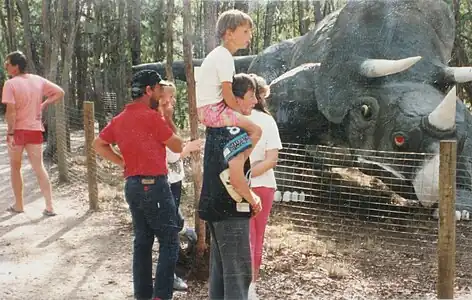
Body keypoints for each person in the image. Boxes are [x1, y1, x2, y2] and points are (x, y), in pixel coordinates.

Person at [93, 70, 184, 300]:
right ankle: (161, 296)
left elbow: (99, 143)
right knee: (170, 241)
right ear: (149, 91)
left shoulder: (121, 118)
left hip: (132, 185)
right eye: (158, 89)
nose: (161, 94)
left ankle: (142, 296)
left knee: (142, 241)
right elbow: (177, 146)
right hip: (155, 184)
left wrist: (122, 161)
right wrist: (167, 117)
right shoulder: (152, 117)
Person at [199, 73, 262, 300]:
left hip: (215, 209)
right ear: (235, 98)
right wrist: (253, 197)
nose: (255, 101)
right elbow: (236, 176)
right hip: (232, 211)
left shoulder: (217, 127)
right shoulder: (235, 130)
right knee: (238, 274)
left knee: (221, 272)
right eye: (251, 95)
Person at [2, 50, 65, 216]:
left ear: (15, 67)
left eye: (7, 64)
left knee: (16, 167)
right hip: (35, 129)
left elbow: (11, 112)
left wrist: (10, 133)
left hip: (18, 131)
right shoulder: (38, 80)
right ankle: (50, 206)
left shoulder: (10, 84)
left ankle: (19, 205)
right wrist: (44, 104)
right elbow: (60, 92)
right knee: (39, 168)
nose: (6, 66)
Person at [196, 9, 262, 155]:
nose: (250, 36)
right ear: (229, 33)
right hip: (213, 111)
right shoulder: (224, 57)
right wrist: (239, 113)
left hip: (208, 111)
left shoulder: (220, 54)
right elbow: (227, 93)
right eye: (245, 31)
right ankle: (238, 162)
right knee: (256, 130)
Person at [158, 81, 204, 291]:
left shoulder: (167, 120)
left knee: (172, 225)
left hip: (174, 181)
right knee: (170, 229)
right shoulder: (158, 120)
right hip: (165, 181)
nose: (173, 101)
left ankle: (177, 264)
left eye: (173, 97)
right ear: (160, 99)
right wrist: (189, 148)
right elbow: (171, 156)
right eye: (169, 97)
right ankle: (170, 276)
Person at [247, 74, 283, 300]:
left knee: (247, 237)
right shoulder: (268, 121)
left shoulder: (237, 117)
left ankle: (246, 286)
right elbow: (271, 160)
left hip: (241, 185)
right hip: (263, 185)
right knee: (256, 238)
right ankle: (250, 286)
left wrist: (243, 176)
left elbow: (272, 160)